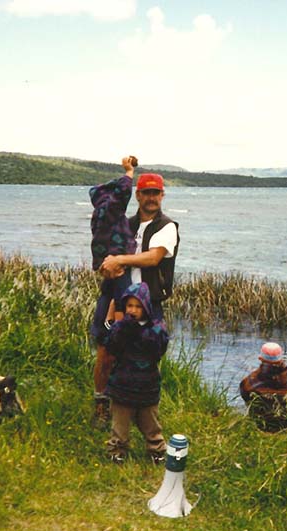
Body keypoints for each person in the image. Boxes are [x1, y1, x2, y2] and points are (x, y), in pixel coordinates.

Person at [91, 172, 180, 422]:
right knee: (106, 352)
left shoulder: (167, 227)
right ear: (137, 195)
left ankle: (142, 411)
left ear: (162, 195)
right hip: (115, 297)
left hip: (148, 303)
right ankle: (102, 404)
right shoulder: (124, 224)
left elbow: (153, 258)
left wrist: (120, 259)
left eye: (156, 193)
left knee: (146, 355)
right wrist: (106, 265)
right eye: (146, 192)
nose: (151, 198)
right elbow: (104, 257)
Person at [105, 282, 169, 464]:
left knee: (151, 425)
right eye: (130, 306)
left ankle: (157, 451)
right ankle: (117, 451)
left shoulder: (156, 328)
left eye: (138, 306)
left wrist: (137, 331)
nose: (133, 310)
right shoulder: (120, 327)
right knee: (120, 426)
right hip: (122, 387)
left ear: (147, 307)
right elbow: (111, 346)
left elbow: (158, 348)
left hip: (147, 388)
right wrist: (123, 327)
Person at [89, 155, 137, 323]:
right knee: (123, 298)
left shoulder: (97, 215)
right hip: (117, 261)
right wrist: (129, 172)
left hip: (104, 261)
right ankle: (117, 325)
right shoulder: (112, 208)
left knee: (111, 292)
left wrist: (99, 263)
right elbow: (123, 191)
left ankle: (109, 321)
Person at [239, 342, 287, 433]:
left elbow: (245, 396)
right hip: (284, 424)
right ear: (281, 359)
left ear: (260, 358)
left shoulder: (250, 380)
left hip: (260, 424)